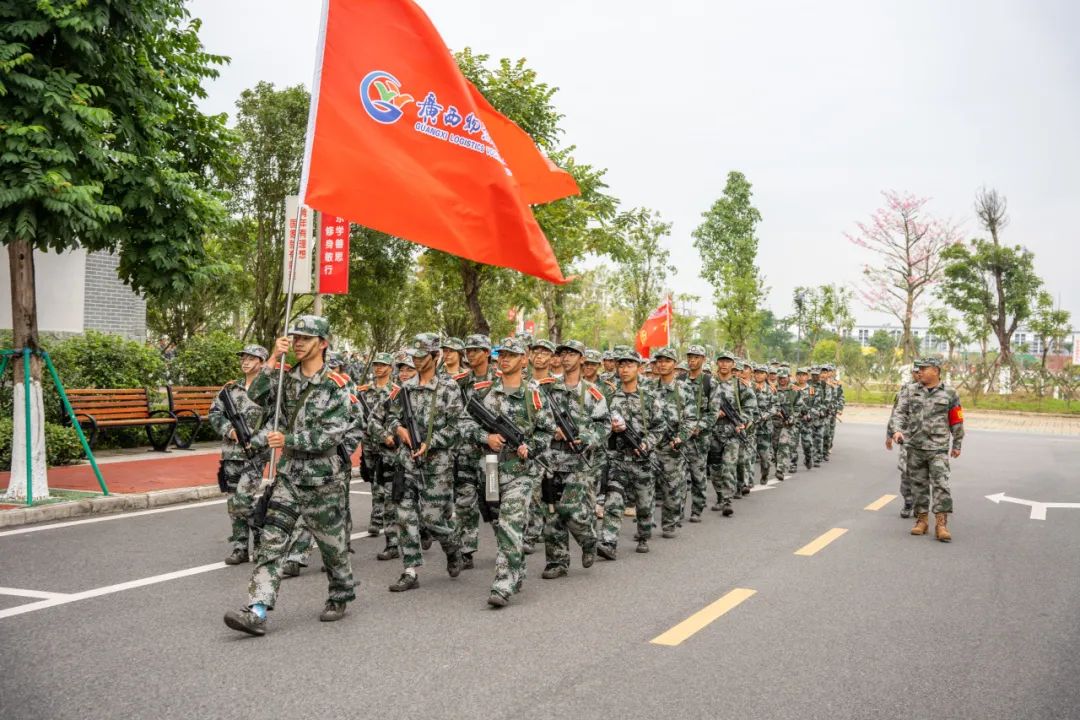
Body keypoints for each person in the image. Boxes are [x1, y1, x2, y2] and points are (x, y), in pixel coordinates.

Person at [224, 316, 358, 636]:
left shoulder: (337, 384)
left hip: (323, 478)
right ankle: (257, 609)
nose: (297, 343)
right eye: (295, 337)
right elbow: (254, 396)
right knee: (271, 541)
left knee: (332, 548)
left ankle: (340, 593)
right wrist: (273, 358)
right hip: (288, 476)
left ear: (322, 343)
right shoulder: (285, 376)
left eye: (305, 338)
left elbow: (331, 435)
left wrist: (288, 439)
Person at [470, 336, 555, 606]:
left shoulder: (533, 393)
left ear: (523, 360)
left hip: (521, 472)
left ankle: (503, 583)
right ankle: (517, 570)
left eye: (510, 355)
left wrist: (531, 447)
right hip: (491, 469)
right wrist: (486, 437)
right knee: (499, 525)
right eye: (501, 355)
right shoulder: (484, 391)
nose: (504, 359)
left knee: (510, 523)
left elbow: (546, 430)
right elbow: (463, 423)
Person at [385, 333, 466, 592]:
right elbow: (391, 416)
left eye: (422, 356)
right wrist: (399, 429)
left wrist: (431, 442)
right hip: (407, 461)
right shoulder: (406, 387)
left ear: (435, 356)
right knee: (404, 514)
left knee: (431, 519)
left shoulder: (449, 387)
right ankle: (410, 570)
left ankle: (452, 546)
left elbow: (458, 426)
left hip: (437, 463)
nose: (417, 361)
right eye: (415, 356)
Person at [541, 339, 608, 579]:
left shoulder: (592, 393)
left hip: (579, 462)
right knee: (551, 512)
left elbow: (604, 425)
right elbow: (536, 417)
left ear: (582, 358)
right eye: (563, 354)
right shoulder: (547, 388)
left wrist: (585, 437)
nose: (566, 358)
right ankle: (557, 561)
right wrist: (552, 430)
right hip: (551, 460)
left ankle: (588, 539)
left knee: (569, 509)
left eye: (572, 354)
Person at [598, 346, 668, 558]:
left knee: (644, 505)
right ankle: (608, 542)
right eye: (621, 365)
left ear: (638, 368)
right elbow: (598, 424)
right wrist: (610, 428)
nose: (624, 369)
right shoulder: (609, 397)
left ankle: (644, 534)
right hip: (617, 459)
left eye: (629, 365)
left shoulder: (649, 398)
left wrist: (647, 443)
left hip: (642, 460)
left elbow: (660, 427)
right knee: (613, 500)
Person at [209, 344, 271, 565]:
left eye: (251, 358)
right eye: (243, 358)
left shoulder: (268, 390)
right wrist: (229, 430)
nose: (245, 362)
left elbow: (276, 420)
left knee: (243, 500)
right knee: (233, 502)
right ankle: (240, 547)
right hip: (231, 454)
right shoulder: (230, 389)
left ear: (262, 363)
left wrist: (257, 440)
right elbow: (215, 413)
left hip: (255, 454)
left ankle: (262, 540)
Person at [891, 357, 963, 541]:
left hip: (938, 448)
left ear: (936, 371)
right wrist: (897, 430)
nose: (920, 371)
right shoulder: (910, 390)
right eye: (919, 369)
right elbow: (900, 412)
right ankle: (922, 520)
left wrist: (957, 443)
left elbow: (956, 419)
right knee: (918, 486)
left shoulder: (950, 392)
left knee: (941, 485)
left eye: (924, 368)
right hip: (914, 446)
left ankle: (941, 524)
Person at [454, 334, 499, 568]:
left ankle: (506, 546)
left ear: (487, 353)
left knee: (493, 501)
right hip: (465, 450)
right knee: (465, 501)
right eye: (468, 350)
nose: (470, 354)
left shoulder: (500, 379)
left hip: (491, 453)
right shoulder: (460, 382)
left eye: (475, 350)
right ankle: (466, 550)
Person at [649, 346, 696, 538]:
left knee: (671, 488)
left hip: (672, 447)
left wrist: (680, 437)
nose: (662, 364)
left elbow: (691, 419)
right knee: (646, 488)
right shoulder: (649, 388)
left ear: (674, 364)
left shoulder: (684, 389)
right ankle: (645, 526)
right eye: (659, 361)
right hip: (650, 446)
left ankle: (669, 523)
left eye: (667, 361)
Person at [706, 349, 757, 516]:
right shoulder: (708, 383)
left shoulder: (739, 385)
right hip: (712, 432)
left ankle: (727, 500)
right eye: (721, 361)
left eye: (727, 361)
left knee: (728, 466)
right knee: (715, 468)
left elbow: (750, 406)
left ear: (733, 364)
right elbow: (698, 405)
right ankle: (720, 497)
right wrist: (714, 413)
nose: (724, 364)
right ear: (717, 363)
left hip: (732, 433)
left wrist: (742, 421)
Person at [361, 352, 401, 560]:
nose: (378, 368)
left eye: (383, 365)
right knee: (373, 479)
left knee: (386, 485)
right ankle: (377, 516)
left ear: (390, 368)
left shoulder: (395, 392)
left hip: (389, 444)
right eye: (376, 364)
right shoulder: (364, 391)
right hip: (369, 442)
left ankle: (380, 520)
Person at [887, 362, 924, 518]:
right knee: (906, 471)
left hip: (927, 440)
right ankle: (908, 501)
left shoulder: (934, 390)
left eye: (921, 371)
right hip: (906, 438)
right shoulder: (906, 390)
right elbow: (896, 413)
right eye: (915, 371)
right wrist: (890, 434)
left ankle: (920, 505)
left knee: (923, 474)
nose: (918, 374)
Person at [683, 345, 713, 523]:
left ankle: (697, 508)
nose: (692, 360)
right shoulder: (679, 380)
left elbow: (713, 412)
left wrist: (699, 427)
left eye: (696, 357)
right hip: (680, 436)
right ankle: (676, 512)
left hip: (699, 438)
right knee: (677, 476)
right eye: (690, 357)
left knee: (697, 475)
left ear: (703, 359)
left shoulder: (709, 382)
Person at [772, 368, 804, 482]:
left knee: (784, 445)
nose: (782, 380)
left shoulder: (794, 390)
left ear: (788, 378)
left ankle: (780, 470)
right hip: (775, 422)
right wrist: (775, 411)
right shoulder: (772, 389)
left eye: (784, 378)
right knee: (775, 446)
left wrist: (792, 417)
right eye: (780, 378)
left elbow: (798, 406)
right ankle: (778, 465)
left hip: (788, 423)